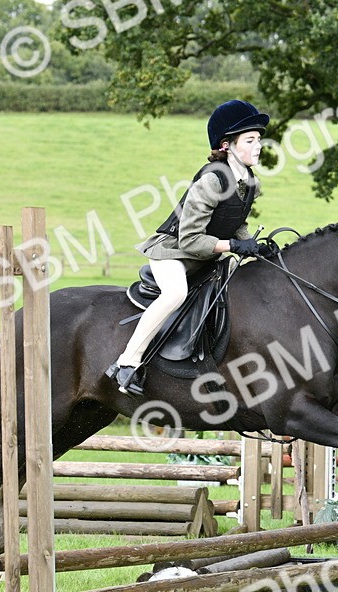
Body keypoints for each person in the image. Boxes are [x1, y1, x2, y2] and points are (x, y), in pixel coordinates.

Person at [106, 99, 271, 395]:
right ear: (226, 145)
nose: (259, 145)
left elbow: (233, 221)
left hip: (204, 258)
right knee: (176, 293)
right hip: (173, 253)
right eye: (250, 140)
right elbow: (190, 240)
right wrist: (233, 244)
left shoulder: (249, 181)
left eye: (259, 139)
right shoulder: (211, 180)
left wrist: (253, 246)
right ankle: (126, 364)